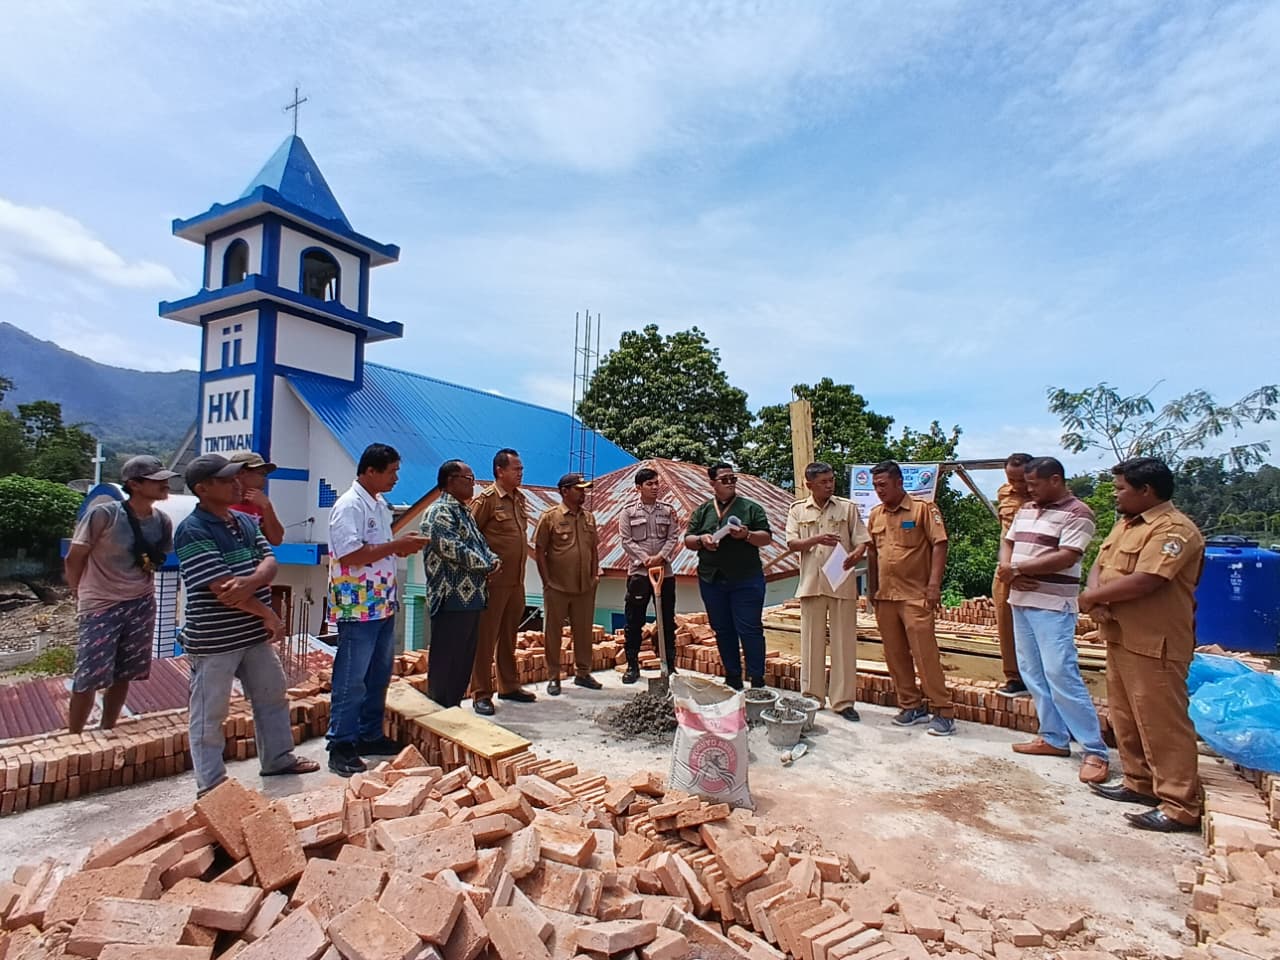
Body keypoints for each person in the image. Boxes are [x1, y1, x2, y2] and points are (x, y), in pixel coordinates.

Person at [175, 454, 320, 793]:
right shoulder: (192, 531)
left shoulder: (242, 521)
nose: (236, 483)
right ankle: (212, 786)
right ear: (203, 489)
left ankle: (277, 759)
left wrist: (250, 581)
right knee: (210, 714)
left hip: (251, 634)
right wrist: (268, 612)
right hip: (215, 639)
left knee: (272, 696)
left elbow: (270, 559)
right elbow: (224, 590)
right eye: (226, 480)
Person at [1080, 457, 1205, 833]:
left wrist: (1091, 599)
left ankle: (1180, 804)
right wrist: (1093, 593)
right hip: (1121, 635)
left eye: (1121, 489)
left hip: (1156, 642)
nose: (1116, 495)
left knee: (1162, 722)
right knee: (1126, 715)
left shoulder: (1175, 531)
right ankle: (1140, 783)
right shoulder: (1126, 525)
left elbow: (1148, 579)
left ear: (1146, 491)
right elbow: (1100, 565)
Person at [996, 457, 1109, 784]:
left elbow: (1068, 555)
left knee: (1061, 671)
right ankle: (1053, 737)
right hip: (1021, 600)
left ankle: (1094, 749)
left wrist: (1018, 570)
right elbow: (1009, 541)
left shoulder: (1079, 513)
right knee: (1032, 671)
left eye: (1033, 484)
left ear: (1055, 480)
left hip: (1053, 605)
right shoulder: (1027, 509)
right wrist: (1008, 570)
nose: (1027, 490)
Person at [326, 443, 429, 776]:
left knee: (378, 675)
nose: (396, 478)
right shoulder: (349, 506)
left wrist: (396, 550)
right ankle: (341, 743)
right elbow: (351, 554)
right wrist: (396, 546)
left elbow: (375, 550)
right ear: (370, 471)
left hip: (381, 602)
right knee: (352, 677)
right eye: (391, 471)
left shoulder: (379, 504)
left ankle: (369, 734)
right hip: (357, 606)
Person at [63, 455, 177, 733]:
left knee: (124, 672)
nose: (165, 485)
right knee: (88, 676)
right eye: (156, 480)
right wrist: (80, 594)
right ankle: (73, 737)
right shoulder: (104, 514)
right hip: (101, 603)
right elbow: (74, 557)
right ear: (134, 484)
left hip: (140, 601)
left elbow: (160, 558)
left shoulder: (161, 520)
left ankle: (108, 728)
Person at [865, 460, 956, 736]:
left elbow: (939, 544)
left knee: (924, 655)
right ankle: (911, 705)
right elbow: (872, 554)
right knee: (895, 655)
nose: (879, 491)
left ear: (898, 482)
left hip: (915, 596)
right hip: (885, 597)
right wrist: (871, 590)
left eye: (883, 485)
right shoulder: (875, 515)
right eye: (875, 486)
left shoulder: (922, 509)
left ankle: (943, 711)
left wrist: (933, 586)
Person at [785, 462, 870, 721]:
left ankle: (843, 701)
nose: (829, 485)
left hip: (840, 581)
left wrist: (856, 555)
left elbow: (862, 540)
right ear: (809, 484)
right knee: (811, 641)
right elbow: (792, 543)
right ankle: (812, 697)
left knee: (844, 642)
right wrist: (816, 540)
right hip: (812, 582)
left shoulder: (847, 507)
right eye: (823, 481)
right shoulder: (797, 510)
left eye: (831, 480)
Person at [683, 462, 773, 691]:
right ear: (712, 483)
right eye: (725, 479)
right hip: (712, 579)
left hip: (746, 578)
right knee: (723, 629)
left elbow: (766, 538)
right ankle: (732, 676)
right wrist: (703, 540)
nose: (731, 483)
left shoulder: (750, 508)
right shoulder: (703, 510)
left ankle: (756, 679)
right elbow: (688, 540)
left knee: (750, 629)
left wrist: (746, 534)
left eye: (733, 478)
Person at [423, 460, 499, 708]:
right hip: (450, 597)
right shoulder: (439, 512)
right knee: (447, 659)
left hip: (473, 598)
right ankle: (439, 710)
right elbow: (451, 548)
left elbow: (480, 544)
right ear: (450, 480)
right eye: (468, 479)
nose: (473, 484)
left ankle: (453, 706)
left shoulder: (464, 512)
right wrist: (486, 564)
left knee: (463, 660)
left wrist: (493, 559)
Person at [469, 448, 537, 714]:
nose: (521, 473)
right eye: (516, 469)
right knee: (486, 638)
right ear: (500, 471)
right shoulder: (486, 500)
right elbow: (471, 537)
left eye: (521, 469)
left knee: (509, 635)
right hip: (492, 582)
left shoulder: (519, 500)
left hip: (516, 581)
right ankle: (481, 693)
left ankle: (509, 686)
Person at [534, 473, 602, 695]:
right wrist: (547, 581)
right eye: (578, 489)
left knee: (583, 631)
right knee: (554, 633)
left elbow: (594, 549)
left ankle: (583, 673)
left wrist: (594, 577)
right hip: (558, 586)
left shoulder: (589, 518)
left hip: (584, 586)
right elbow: (540, 551)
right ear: (564, 491)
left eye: (584, 489)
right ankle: (554, 676)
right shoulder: (550, 517)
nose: (583, 493)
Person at [619, 466, 682, 683]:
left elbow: (673, 536)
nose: (655, 487)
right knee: (634, 620)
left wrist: (661, 557)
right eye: (650, 484)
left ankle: (669, 665)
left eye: (657, 483)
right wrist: (645, 558)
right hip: (639, 573)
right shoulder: (628, 512)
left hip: (665, 573)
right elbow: (626, 540)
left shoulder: (667, 511)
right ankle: (632, 666)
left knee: (666, 619)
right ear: (639, 487)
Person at [993, 453, 1032, 697]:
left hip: (1034, 571)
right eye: (1011, 479)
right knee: (1005, 623)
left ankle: (1038, 678)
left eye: (1022, 480)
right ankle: (1014, 677)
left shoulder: (1045, 497)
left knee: (1034, 627)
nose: (1017, 485)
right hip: (1006, 569)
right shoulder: (1004, 494)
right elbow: (1005, 534)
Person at [228, 450, 284, 546]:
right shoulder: (224, 502)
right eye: (261, 474)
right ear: (242, 473)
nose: (264, 479)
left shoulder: (258, 502)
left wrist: (267, 507)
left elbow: (276, 540)